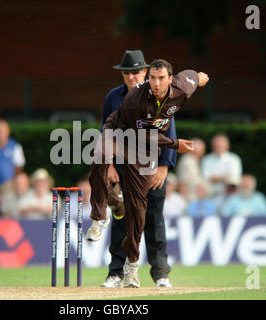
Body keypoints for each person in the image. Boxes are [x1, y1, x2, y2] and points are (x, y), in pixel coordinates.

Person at [86, 58, 209, 287]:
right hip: (123, 135)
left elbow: (195, 77)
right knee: (100, 153)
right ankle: (98, 217)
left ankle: (135, 268)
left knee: (139, 211)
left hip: (144, 155)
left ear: (170, 79)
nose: (157, 83)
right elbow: (145, 134)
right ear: (148, 78)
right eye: (153, 79)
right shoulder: (134, 100)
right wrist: (175, 144)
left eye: (161, 78)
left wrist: (201, 79)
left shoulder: (182, 88)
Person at [99, 50, 178, 289]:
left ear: (144, 72)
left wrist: (165, 167)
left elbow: (170, 132)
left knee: (154, 220)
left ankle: (160, 274)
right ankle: (115, 273)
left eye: (136, 72)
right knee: (121, 219)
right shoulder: (113, 97)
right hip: (123, 167)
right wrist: (109, 165)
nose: (132, 76)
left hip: (152, 168)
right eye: (127, 73)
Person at [176, 138, 206, 202]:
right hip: (189, 198)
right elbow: (182, 182)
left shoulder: (194, 160)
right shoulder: (187, 161)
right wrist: (184, 201)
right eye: (202, 150)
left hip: (195, 197)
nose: (203, 152)